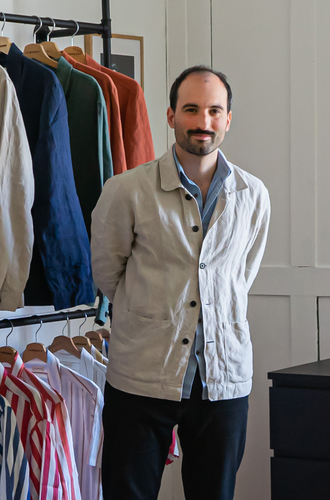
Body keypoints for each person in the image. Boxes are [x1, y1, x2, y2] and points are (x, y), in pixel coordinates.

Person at [90, 65, 271, 500]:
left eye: (214, 111)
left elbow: (240, 275)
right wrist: (155, 313)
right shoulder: (127, 190)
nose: (202, 122)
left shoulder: (253, 194)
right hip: (141, 374)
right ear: (171, 116)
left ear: (228, 119)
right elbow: (108, 273)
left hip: (223, 377)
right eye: (191, 109)